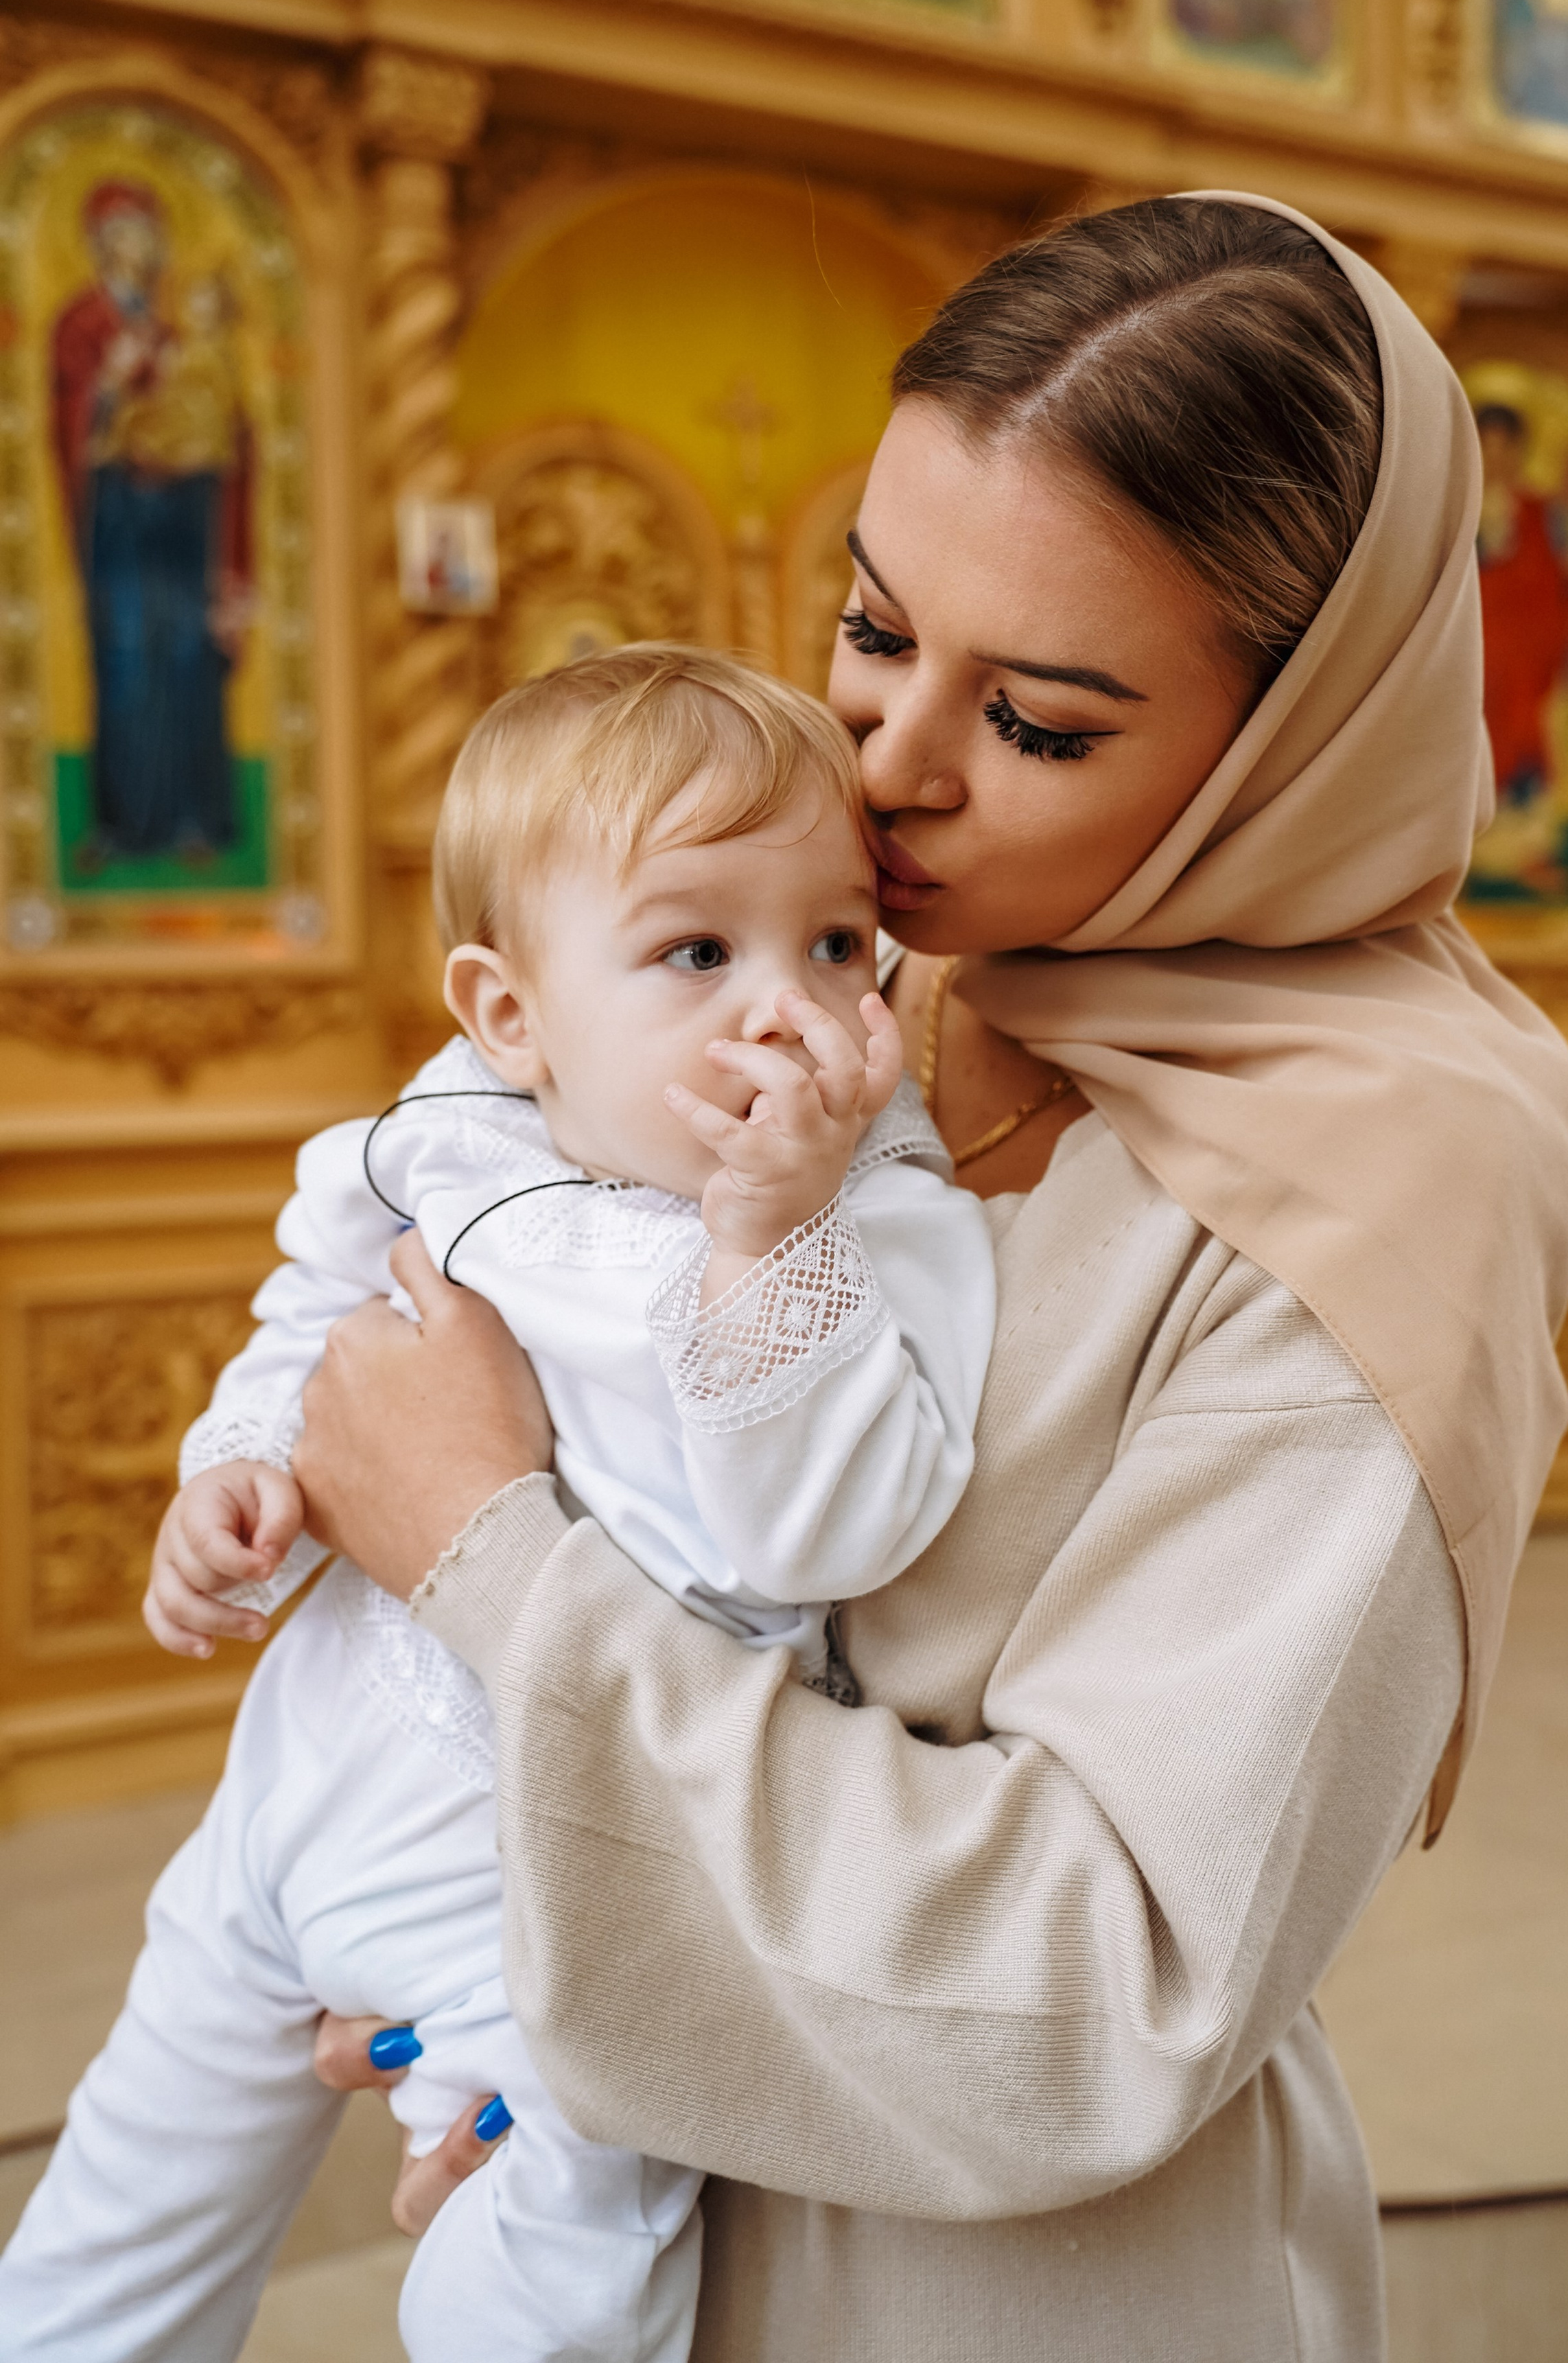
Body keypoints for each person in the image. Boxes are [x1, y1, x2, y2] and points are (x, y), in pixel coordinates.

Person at [256, 195, 1568, 2360]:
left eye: (1043, 721)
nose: (883, 773)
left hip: (1022, 2284)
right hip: (686, 2178)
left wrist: (487, 1568)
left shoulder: (1390, 1167)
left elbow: (1105, 1975)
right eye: (872, 628)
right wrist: (496, 1947)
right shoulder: (886, 977)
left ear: (1292, 740)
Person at [0, 650, 995, 2363]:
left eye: (835, 943)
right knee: (112, 2234)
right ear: (509, 1011)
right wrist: (235, 1466)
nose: (784, 1008)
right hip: (292, 1797)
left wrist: (770, 1244)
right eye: (698, 949)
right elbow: (314, 1316)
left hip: (550, 1888)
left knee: (568, 2240)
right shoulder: (447, 1137)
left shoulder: (876, 1221)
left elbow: (823, 1536)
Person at [50, 184, 252, 869]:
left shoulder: (175, 333)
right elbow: (70, 418)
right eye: (124, 234)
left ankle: (196, 819)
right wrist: (110, 385)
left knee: (191, 660)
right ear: (103, 243)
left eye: (147, 233)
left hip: (183, 520)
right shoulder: (82, 323)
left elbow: (227, 424)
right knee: (128, 661)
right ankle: (124, 823)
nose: (140, 248)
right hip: (121, 523)